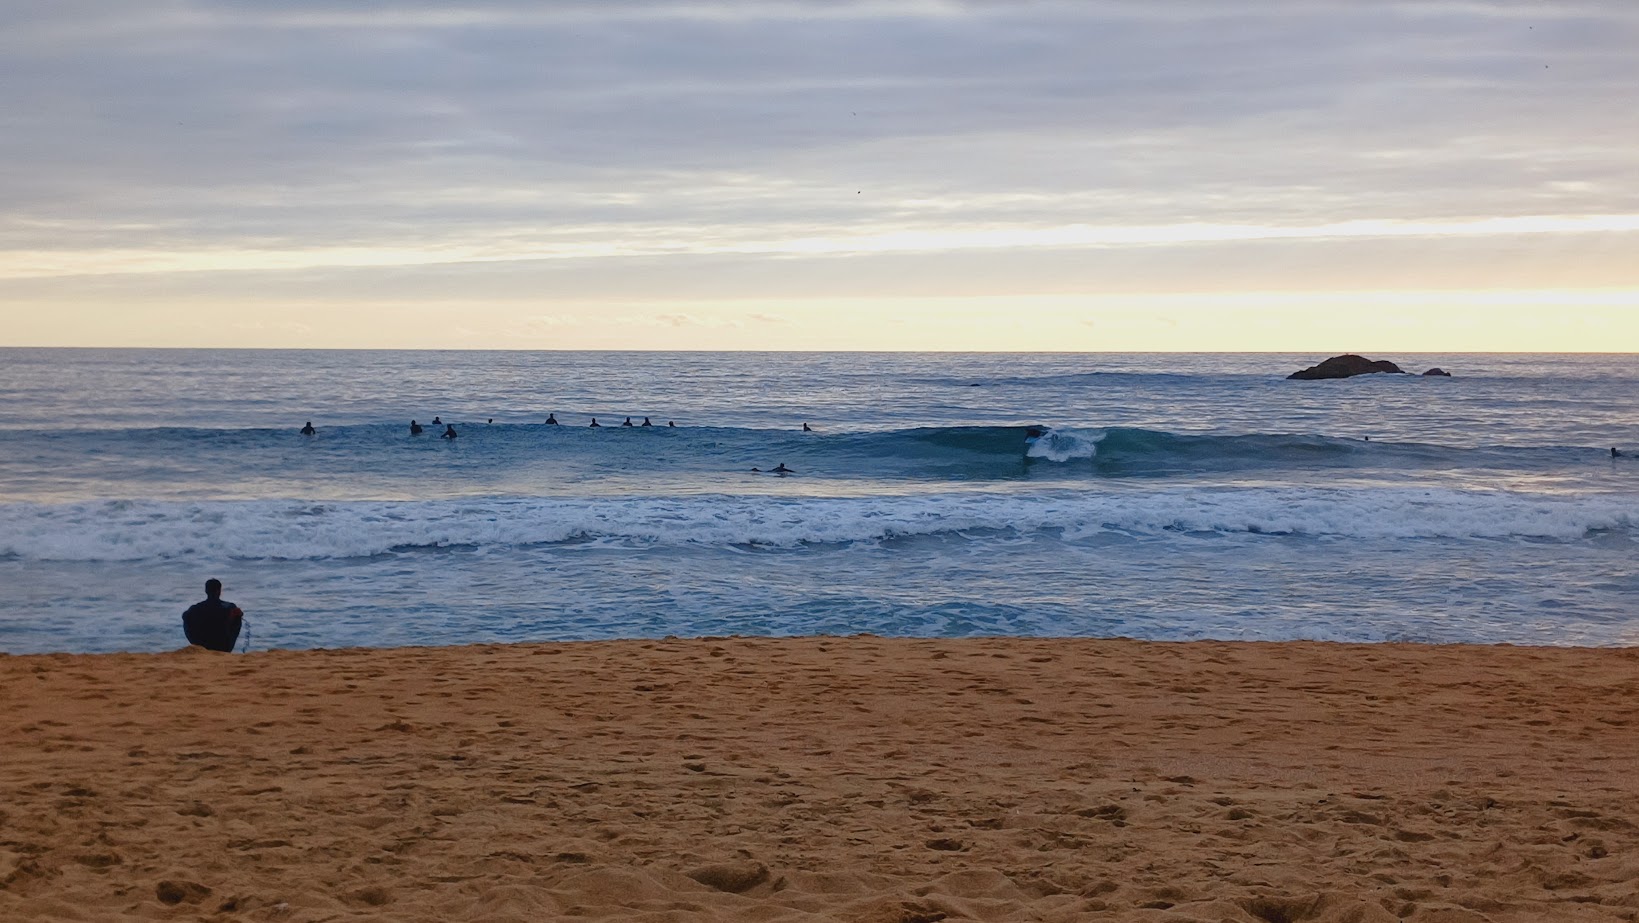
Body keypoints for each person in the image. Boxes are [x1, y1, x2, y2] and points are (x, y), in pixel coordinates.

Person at [183, 579, 243, 652]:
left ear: (206, 591)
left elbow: (185, 616)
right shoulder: (229, 607)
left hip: (202, 644)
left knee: (187, 618)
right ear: (219, 591)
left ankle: (196, 645)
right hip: (223, 645)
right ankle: (228, 648)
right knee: (237, 615)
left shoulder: (196, 607)